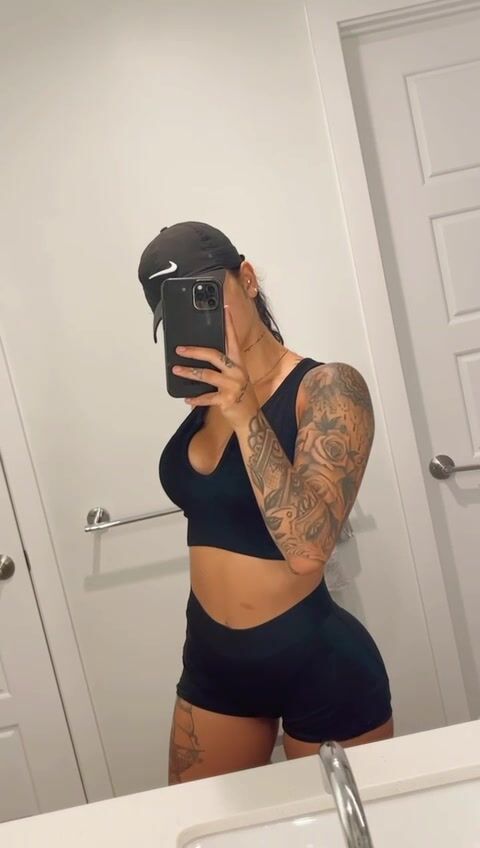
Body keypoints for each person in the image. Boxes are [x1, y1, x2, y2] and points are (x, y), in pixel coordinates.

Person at [138, 221, 393, 785]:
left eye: (208, 294)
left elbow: (308, 550)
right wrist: (226, 404)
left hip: (317, 663)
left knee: (343, 825)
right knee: (196, 822)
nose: (203, 319)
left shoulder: (328, 387)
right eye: (178, 311)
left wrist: (245, 411)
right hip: (212, 664)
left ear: (247, 279)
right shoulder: (204, 406)